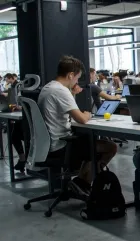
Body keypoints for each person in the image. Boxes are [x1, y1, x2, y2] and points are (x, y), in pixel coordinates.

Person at [38, 56, 118, 198]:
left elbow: (66, 108)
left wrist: (73, 94)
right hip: (61, 145)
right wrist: (87, 114)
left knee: (89, 142)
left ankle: (80, 182)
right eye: (76, 78)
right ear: (70, 75)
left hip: (49, 144)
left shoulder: (49, 87)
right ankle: (82, 183)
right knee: (110, 147)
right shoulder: (61, 91)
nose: (76, 82)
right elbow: (81, 118)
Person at [2, 73, 26, 173]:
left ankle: (23, 159)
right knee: (14, 135)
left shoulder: (19, 86)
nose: (7, 81)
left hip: (27, 119)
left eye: (8, 79)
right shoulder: (13, 87)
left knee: (15, 134)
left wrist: (20, 107)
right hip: (21, 115)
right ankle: (22, 158)